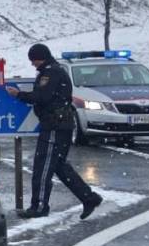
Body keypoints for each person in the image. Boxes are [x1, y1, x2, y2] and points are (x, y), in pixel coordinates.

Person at [8, 43, 102, 220]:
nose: (32, 64)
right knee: (59, 166)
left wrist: (19, 95)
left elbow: (42, 97)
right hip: (60, 125)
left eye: (33, 60)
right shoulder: (52, 70)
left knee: (42, 167)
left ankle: (39, 206)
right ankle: (89, 198)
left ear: (39, 57)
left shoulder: (51, 73)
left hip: (54, 126)